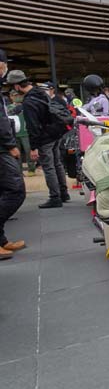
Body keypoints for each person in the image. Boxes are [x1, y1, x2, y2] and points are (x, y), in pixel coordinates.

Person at [6, 70, 70, 208]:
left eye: (13, 87)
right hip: (56, 131)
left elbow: (33, 126)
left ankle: (55, 197)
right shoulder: (40, 92)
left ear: (17, 86)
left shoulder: (28, 102)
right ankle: (64, 193)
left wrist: (34, 147)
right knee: (57, 163)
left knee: (48, 166)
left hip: (45, 136)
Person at [0, 51, 27, 260]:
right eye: (3, 65)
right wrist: (10, 145)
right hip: (2, 148)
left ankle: (2, 241)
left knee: (6, 191)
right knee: (16, 190)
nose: (4, 69)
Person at [7, 90, 36, 176]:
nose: (17, 97)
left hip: (25, 132)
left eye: (18, 95)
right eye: (14, 96)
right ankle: (19, 171)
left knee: (28, 151)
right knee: (17, 153)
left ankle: (31, 169)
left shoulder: (25, 106)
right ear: (11, 97)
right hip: (14, 134)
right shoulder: (8, 107)